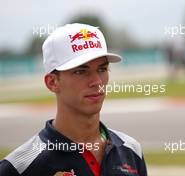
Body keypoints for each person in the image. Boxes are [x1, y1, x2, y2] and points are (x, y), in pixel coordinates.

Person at [0, 23, 147, 176]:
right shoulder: (19, 168)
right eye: (81, 71)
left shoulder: (131, 150)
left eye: (102, 69)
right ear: (52, 82)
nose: (97, 81)